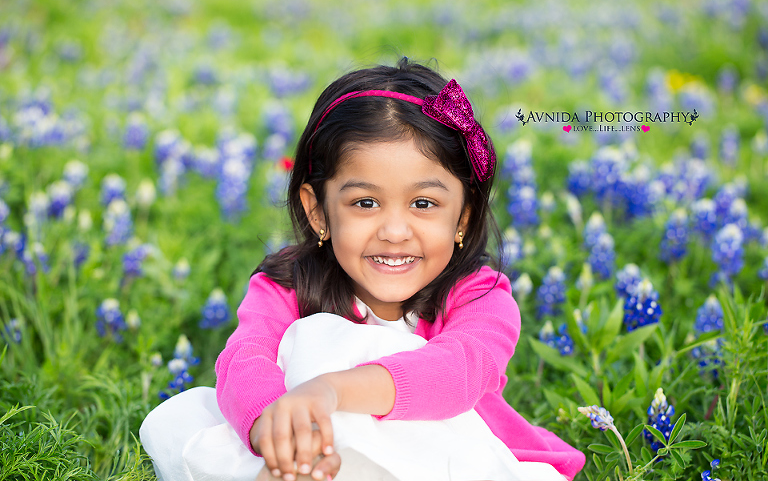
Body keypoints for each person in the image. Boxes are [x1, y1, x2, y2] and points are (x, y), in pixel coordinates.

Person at [140, 58, 586, 481]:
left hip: (451, 455)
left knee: (326, 357)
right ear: (318, 213)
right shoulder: (286, 286)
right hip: (316, 442)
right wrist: (276, 429)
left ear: (464, 218)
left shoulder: (480, 295)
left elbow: (460, 371)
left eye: (424, 203)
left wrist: (334, 390)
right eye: (365, 203)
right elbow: (246, 359)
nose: (394, 231)